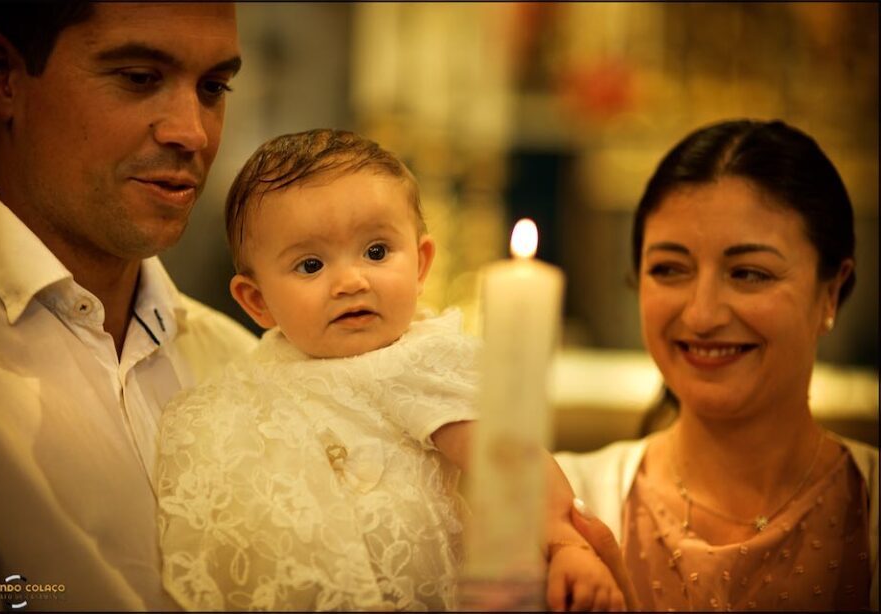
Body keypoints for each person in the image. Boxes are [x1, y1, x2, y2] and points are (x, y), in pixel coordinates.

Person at [156, 129, 626, 612]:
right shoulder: (246, 374)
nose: (350, 281)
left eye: (376, 252)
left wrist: (566, 545)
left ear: (421, 265)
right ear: (257, 301)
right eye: (311, 265)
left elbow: (510, 460)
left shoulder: (417, 361)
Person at [0, 3, 257, 610]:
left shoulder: (244, 365)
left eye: (213, 87)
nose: (193, 133)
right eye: (139, 77)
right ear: (1, 77)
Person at [555, 119, 878, 611]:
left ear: (830, 292)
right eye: (670, 269)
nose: (702, 315)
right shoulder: (569, 507)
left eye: (748, 273)